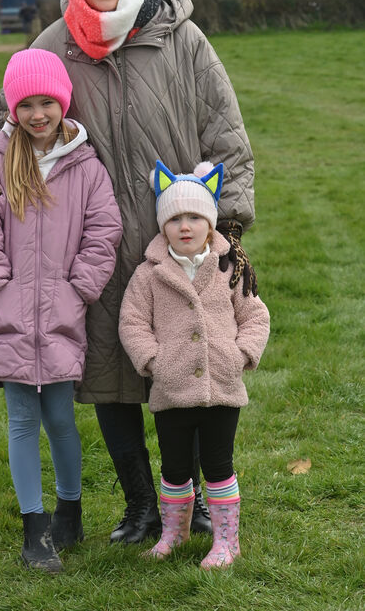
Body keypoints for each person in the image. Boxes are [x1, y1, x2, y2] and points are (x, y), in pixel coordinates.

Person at [0, 0, 258, 545]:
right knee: (111, 382)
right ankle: (142, 505)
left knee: (184, 373)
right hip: (88, 248)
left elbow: (226, 134)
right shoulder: (54, 46)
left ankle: (194, 502)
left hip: (176, 244)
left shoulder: (182, 38)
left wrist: (228, 227)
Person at [0, 49, 122, 573]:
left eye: (46, 103)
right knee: (21, 419)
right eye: (25, 104)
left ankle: (69, 510)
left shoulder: (87, 167)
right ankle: (35, 530)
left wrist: (80, 287)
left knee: (59, 416)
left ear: (62, 103)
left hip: (62, 312)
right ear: (12, 109)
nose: (37, 114)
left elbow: (104, 232)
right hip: (8, 314)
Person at [119, 160, 270, 567]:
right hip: (171, 388)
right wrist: (153, 361)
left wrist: (240, 355)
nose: (185, 226)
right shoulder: (149, 275)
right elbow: (132, 321)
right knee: (174, 467)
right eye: (175, 219)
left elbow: (256, 316)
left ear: (211, 223)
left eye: (195, 217)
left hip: (222, 387)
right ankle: (175, 533)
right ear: (162, 225)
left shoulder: (229, 268)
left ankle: (226, 543)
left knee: (219, 465)